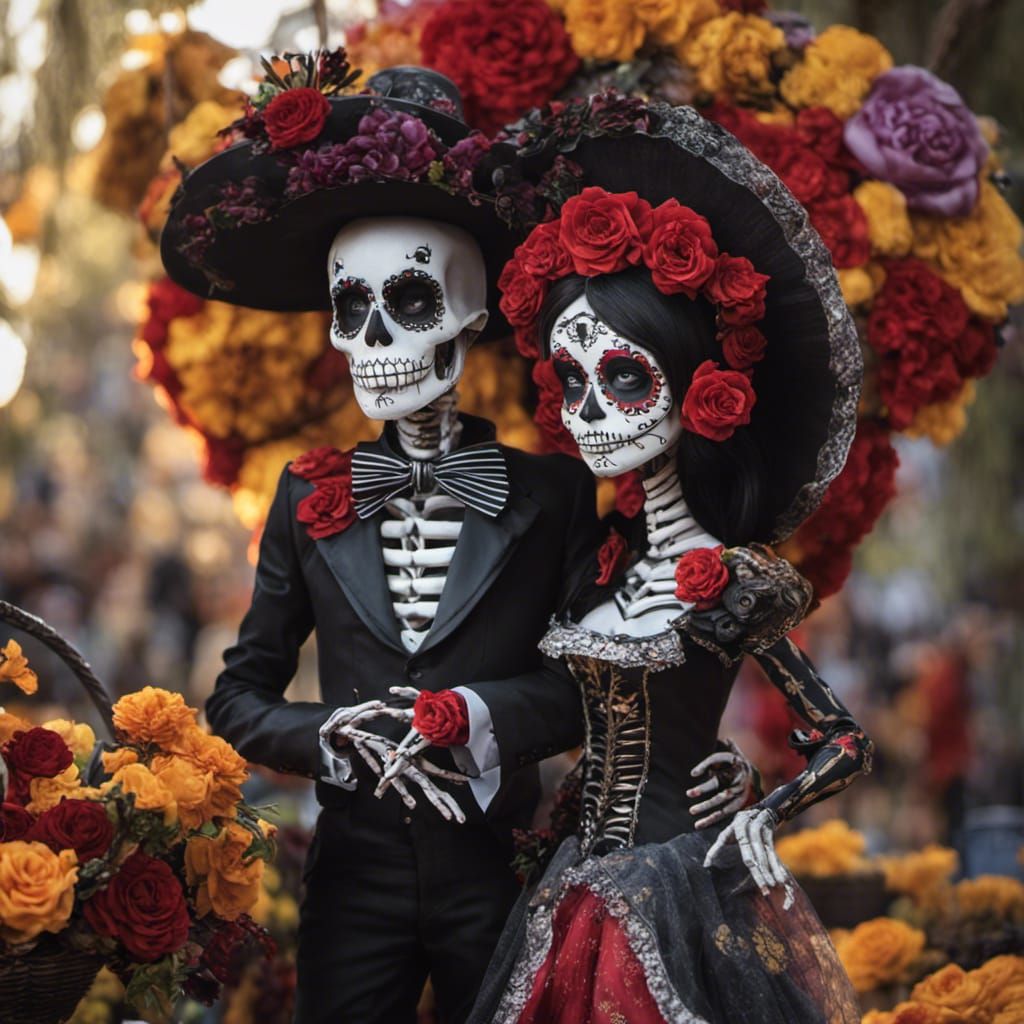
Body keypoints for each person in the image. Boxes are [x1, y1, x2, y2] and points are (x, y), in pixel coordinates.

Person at [160, 57, 755, 1024]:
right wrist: (329, 737)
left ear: (469, 322)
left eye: (408, 304)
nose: (376, 340)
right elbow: (238, 695)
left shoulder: (556, 490)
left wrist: (479, 716)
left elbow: (587, 681)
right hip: (352, 874)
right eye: (351, 312)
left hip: (501, 871)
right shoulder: (309, 494)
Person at [449, 96, 873, 1022]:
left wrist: (763, 803)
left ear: (696, 381)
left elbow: (843, 738)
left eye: (627, 377)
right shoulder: (593, 563)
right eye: (573, 383)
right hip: (566, 884)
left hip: (679, 886)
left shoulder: (733, 580)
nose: (594, 411)